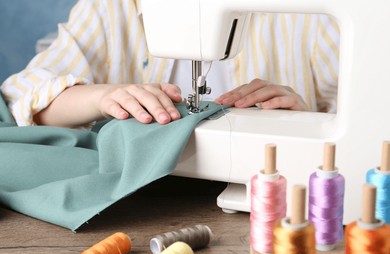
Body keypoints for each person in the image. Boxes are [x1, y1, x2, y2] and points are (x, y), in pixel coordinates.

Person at [0, 0, 339, 128]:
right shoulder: (111, 9)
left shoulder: (304, 16)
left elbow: (368, 121)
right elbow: (21, 96)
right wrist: (102, 97)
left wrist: (310, 121)